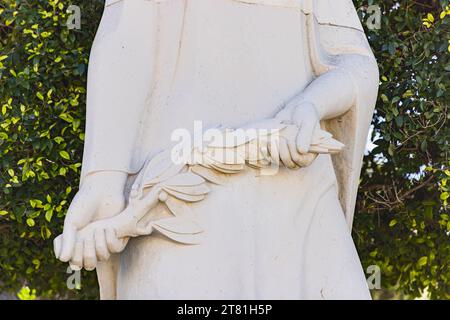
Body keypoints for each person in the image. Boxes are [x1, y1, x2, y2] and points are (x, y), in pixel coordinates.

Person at [55, 0, 379, 299]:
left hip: (303, 200)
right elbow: (127, 40)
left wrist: (312, 104)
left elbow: (355, 63)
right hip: (176, 201)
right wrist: (104, 179)